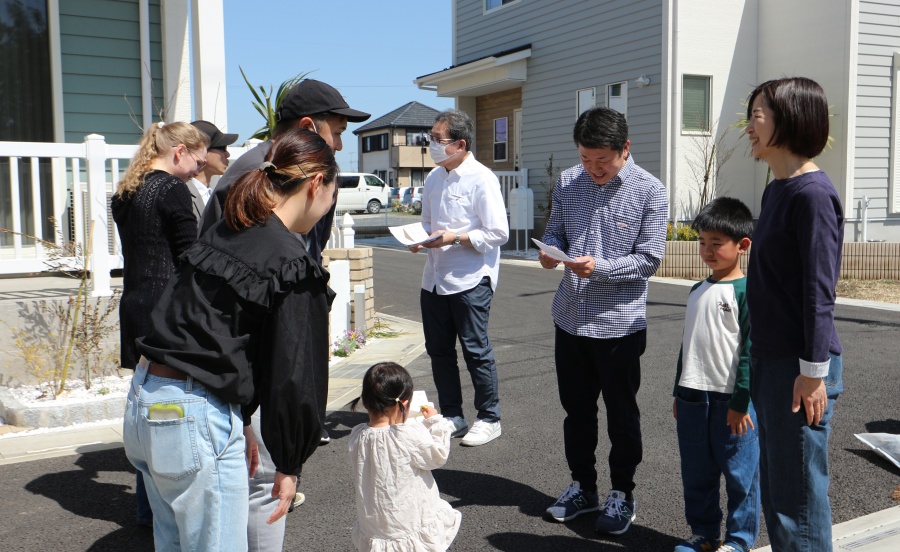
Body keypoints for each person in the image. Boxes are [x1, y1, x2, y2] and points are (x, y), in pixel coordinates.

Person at [122, 129, 337, 551]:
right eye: (333, 194)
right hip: (194, 414)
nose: (329, 206)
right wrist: (289, 463)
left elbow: (208, 328)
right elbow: (295, 374)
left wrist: (241, 418)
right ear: (316, 184)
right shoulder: (291, 262)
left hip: (146, 401)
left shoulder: (226, 231)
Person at [197, 78, 369, 552]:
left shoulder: (267, 174)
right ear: (308, 128)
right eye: (337, 133)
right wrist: (285, 452)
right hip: (244, 364)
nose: (340, 146)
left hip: (215, 377)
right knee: (263, 486)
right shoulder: (258, 181)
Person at [540, 106, 667, 535]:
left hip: (619, 325)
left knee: (621, 414)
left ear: (625, 149)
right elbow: (555, 231)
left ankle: (622, 492)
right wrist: (549, 251)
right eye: (585, 158)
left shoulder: (651, 191)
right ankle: (583, 487)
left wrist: (602, 268)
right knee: (576, 411)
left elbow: (649, 259)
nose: (593, 168)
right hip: (569, 317)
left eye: (602, 160)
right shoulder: (568, 181)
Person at [744, 77, 844, 552]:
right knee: (781, 491)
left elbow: (818, 292)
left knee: (797, 501)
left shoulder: (813, 195)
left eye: (756, 116)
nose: (749, 127)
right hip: (773, 360)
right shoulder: (778, 190)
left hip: (799, 366)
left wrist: (813, 372)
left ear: (789, 118)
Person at [111, 120, 209, 528]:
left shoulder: (125, 191)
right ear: (179, 152)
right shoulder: (171, 188)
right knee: (169, 410)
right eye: (198, 163)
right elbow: (190, 256)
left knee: (146, 403)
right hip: (166, 309)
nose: (198, 172)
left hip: (134, 304)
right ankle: (168, 512)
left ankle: (147, 510)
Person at [409, 109, 510, 447]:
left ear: (461, 144)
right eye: (431, 139)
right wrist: (418, 238)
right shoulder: (434, 177)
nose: (432, 145)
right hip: (434, 277)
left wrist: (456, 238)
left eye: (438, 140)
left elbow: (498, 232)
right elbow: (427, 223)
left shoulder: (482, 178)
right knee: (438, 350)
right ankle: (453, 415)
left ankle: (489, 417)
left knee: (475, 350)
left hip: (471, 278)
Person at [672, 198, 759, 552]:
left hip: (731, 401)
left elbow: (752, 351)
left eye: (717, 243)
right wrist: (678, 391)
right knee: (697, 473)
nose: (707, 250)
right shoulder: (697, 291)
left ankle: (738, 540)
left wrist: (742, 400)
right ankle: (705, 534)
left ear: (742, 245)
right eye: (702, 242)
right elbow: (687, 346)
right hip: (693, 398)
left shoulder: (748, 292)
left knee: (741, 475)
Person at [348, 362, 461, 551]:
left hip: (376, 524)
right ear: (405, 404)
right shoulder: (407, 434)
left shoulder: (357, 434)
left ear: (365, 402)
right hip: (409, 520)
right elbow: (437, 455)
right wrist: (434, 422)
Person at [187, 120, 238, 230]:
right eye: (222, 148)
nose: (227, 154)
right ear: (203, 151)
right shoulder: (182, 194)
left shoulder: (212, 194)